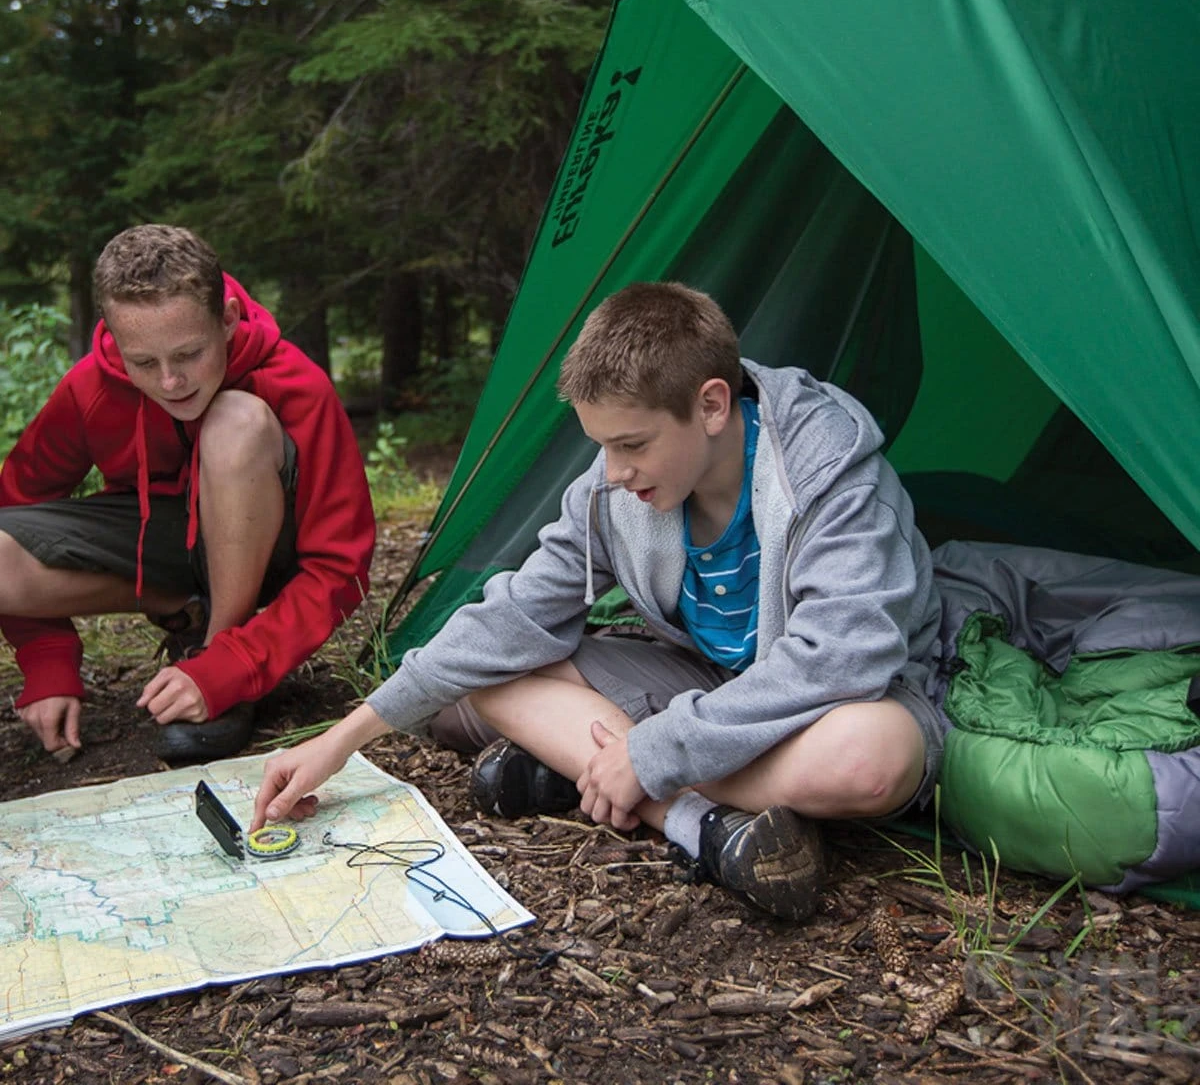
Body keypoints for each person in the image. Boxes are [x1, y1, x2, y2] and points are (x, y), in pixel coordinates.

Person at [253, 281, 943, 921]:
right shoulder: (616, 487)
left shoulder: (831, 470)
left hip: (840, 704)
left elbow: (842, 661)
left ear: (711, 405)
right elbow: (515, 617)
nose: (613, 474)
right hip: (711, 688)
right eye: (602, 447)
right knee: (500, 676)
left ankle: (607, 777)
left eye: (632, 445)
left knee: (866, 760)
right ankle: (697, 823)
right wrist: (343, 738)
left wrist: (652, 752)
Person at [0, 225, 375, 765]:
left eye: (189, 353)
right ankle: (185, 615)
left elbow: (342, 565)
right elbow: (16, 505)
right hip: (167, 548)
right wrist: (47, 659)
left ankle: (218, 650)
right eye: (144, 363)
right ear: (112, 336)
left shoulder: (295, 383)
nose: (171, 381)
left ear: (225, 319)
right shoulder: (89, 388)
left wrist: (232, 667)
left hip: (271, 552)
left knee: (234, 420)